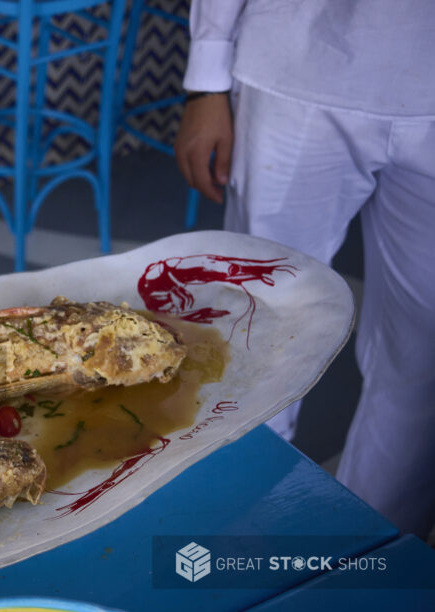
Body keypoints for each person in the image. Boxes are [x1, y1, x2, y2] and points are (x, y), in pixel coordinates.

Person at [174, 0, 435, 537]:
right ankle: (236, 535)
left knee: (423, 355)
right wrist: (207, 79)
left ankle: (374, 550)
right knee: (258, 329)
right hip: (297, 67)